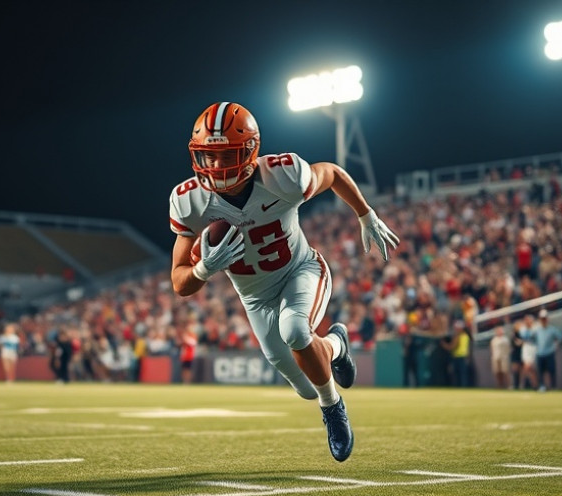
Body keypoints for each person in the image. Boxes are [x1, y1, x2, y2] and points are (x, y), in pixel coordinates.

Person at [168, 102, 399, 462]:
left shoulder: (283, 175)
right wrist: (202, 270)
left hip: (300, 270)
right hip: (255, 299)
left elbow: (333, 173)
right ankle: (336, 345)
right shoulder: (191, 201)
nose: (215, 165)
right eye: (208, 156)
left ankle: (333, 407)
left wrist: (365, 213)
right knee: (305, 386)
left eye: (225, 154)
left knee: (295, 330)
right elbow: (180, 283)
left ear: (249, 151)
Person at [533, 309, 562, 391]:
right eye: (542, 318)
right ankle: (542, 386)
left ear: (547, 319)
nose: (543, 320)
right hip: (540, 353)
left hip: (549, 352)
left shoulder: (552, 329)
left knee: (551, 370)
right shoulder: (536, 329)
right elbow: (532, 339)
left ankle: (553, 387)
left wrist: (556, 345)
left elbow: (560, 338)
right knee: (540, 371)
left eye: (545, 318)